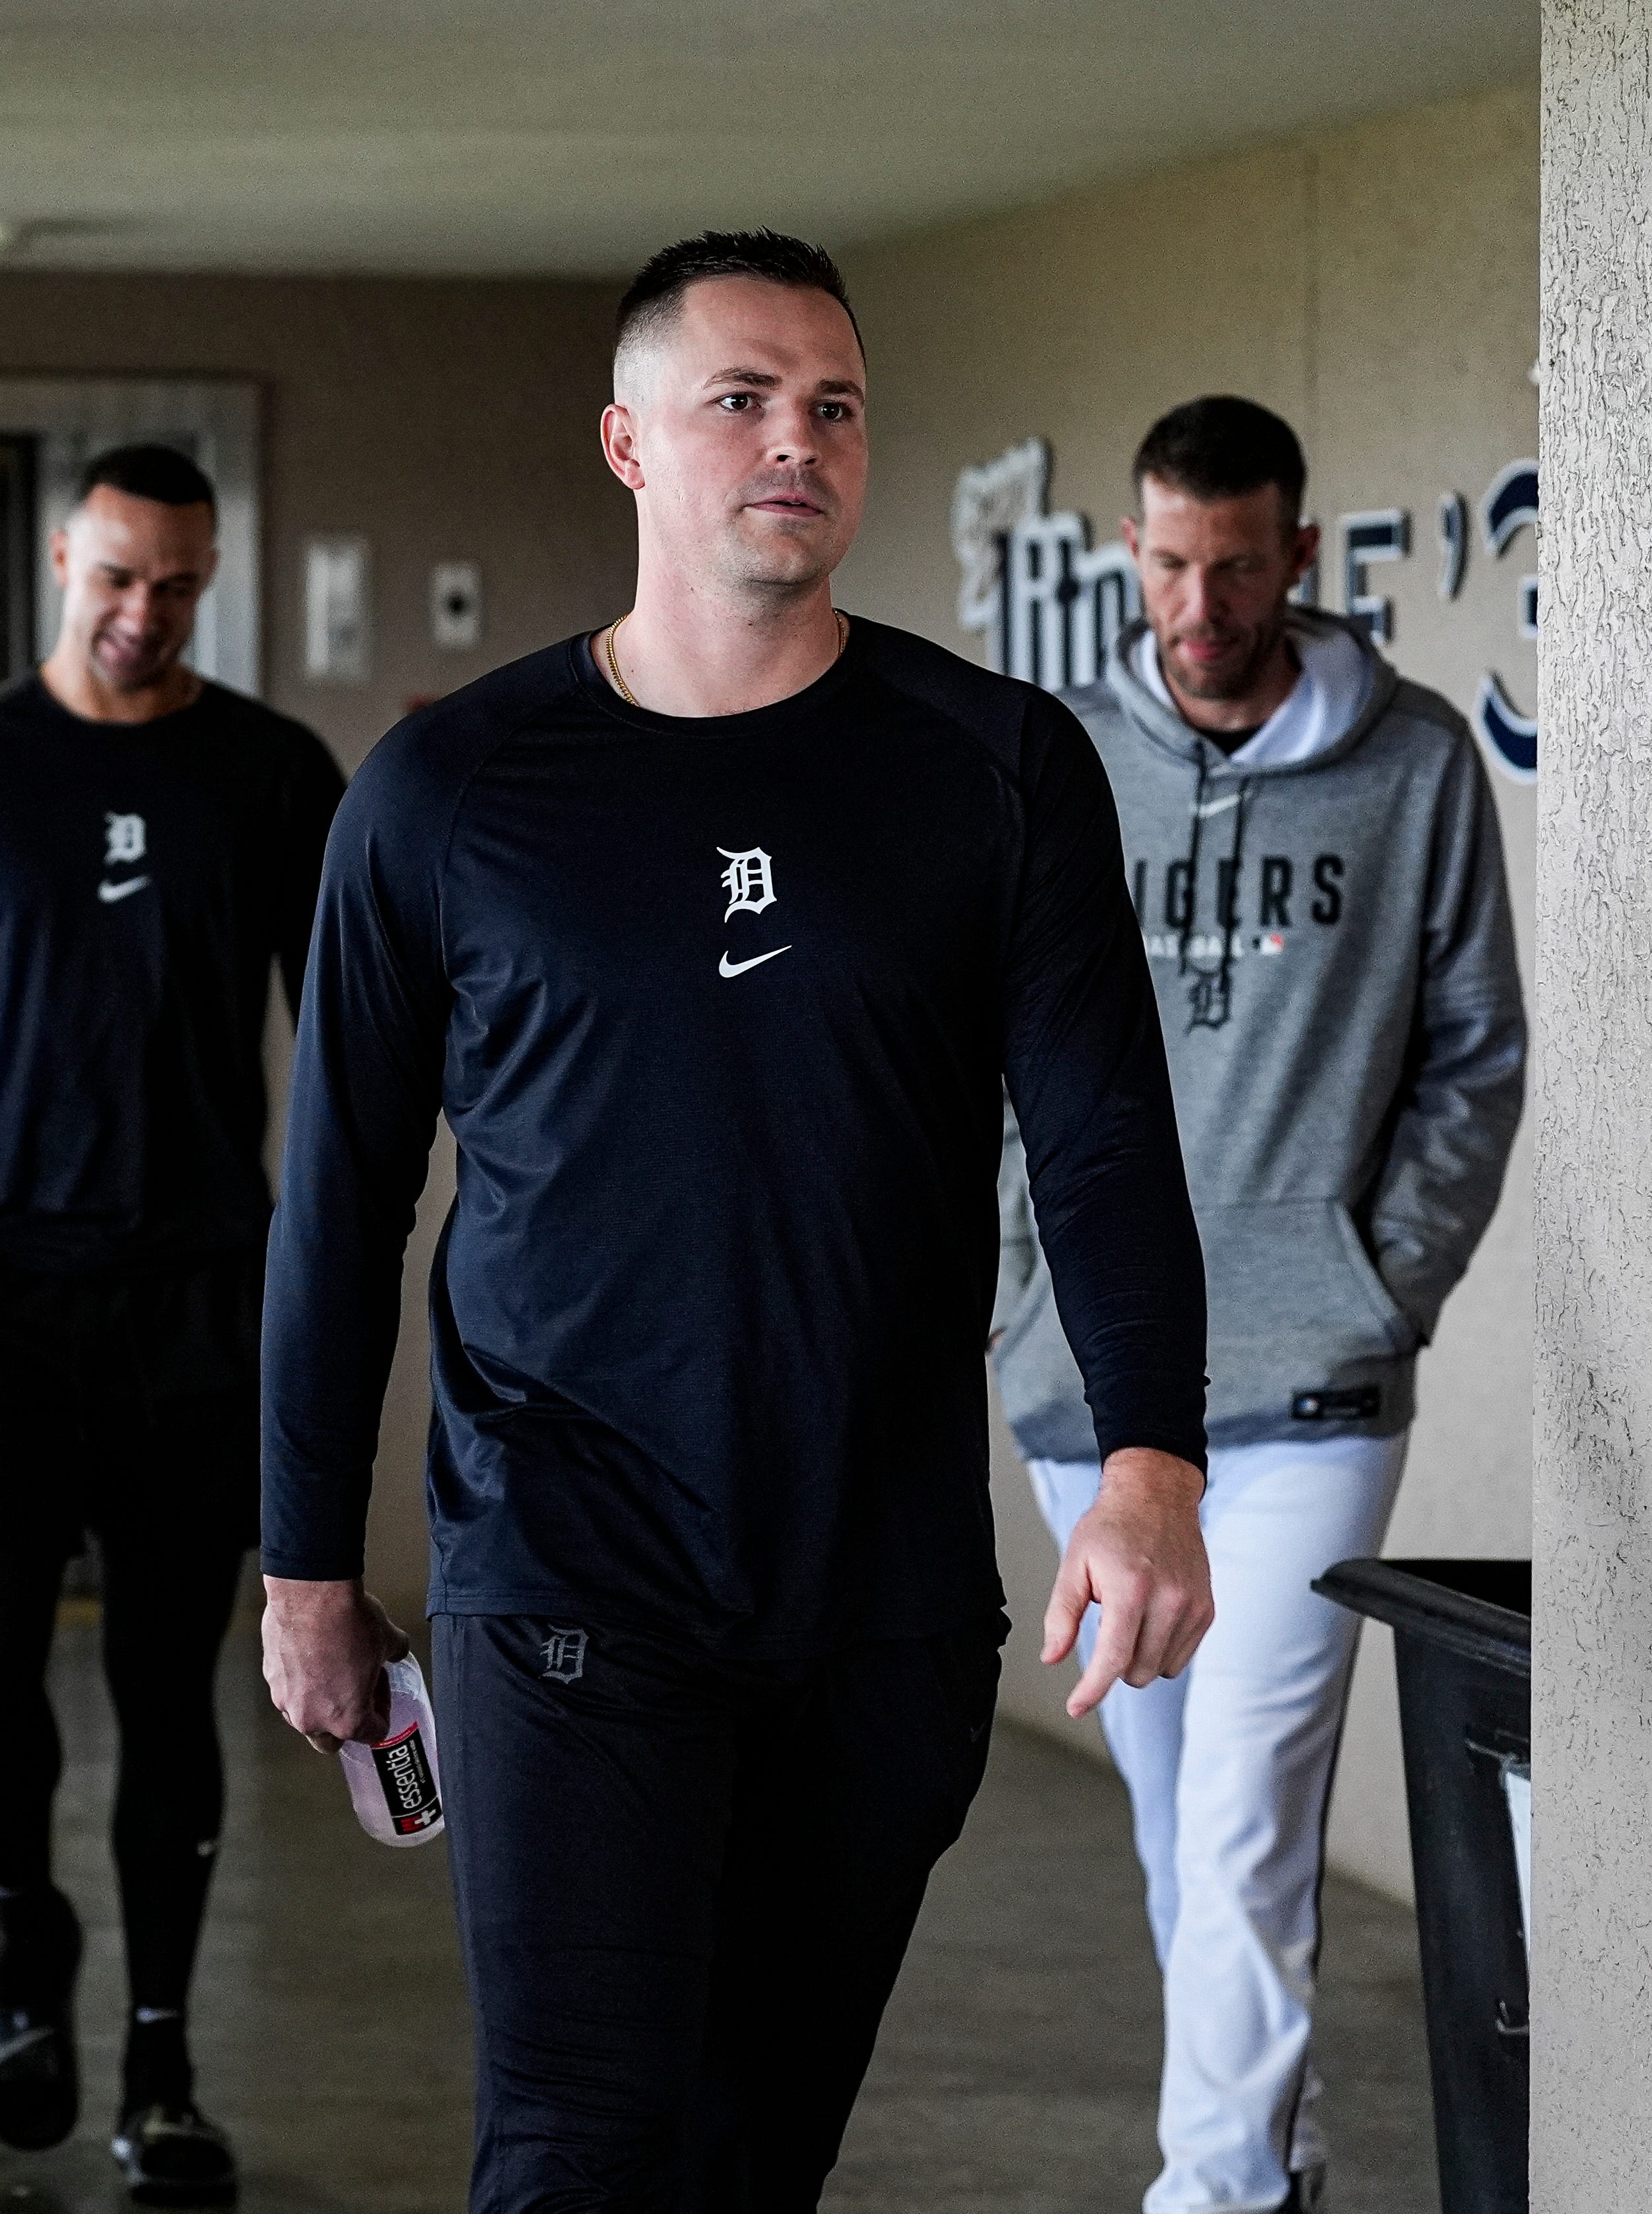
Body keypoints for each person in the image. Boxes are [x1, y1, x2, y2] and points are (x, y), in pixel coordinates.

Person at [257, 229, 1219, 2212]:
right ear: (626, 444)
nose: (797, 439)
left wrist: (1149, 1460)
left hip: (873, 1589)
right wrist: (300, 1566)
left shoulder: (996, 769)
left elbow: (1105, 1141)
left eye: (834, 405)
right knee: (575, 2154)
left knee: (748, 2156)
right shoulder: (450, 789)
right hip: (562, 1568)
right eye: (741, 400)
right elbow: (339, 1199)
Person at [993, 395, 1525, 2214]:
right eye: (1165, 561)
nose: (1197, 600)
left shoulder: (1414, 763)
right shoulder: (1059, 761)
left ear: (1299, 553)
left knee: (1242, 1806)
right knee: (1172, 1824)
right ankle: (1277, 2149)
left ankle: (1209, 2192)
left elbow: (1474, 1054)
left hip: (1308, 1378)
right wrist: (1012, 1298)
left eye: (1233, 563)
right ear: (1127, 554)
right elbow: (985, 1058)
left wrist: (1379, 1284)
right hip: (1086, 1378)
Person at [0, 441, 342, 2203]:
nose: (144, 615)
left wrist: (318, 1270)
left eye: (180, 586)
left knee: (165, 1691)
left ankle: (162, 2060)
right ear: (66, 557)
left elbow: (345, 1048)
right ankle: (27, 1926)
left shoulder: (272, 774)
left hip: (195, 1292)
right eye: (118, 578)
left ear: (212, 577)